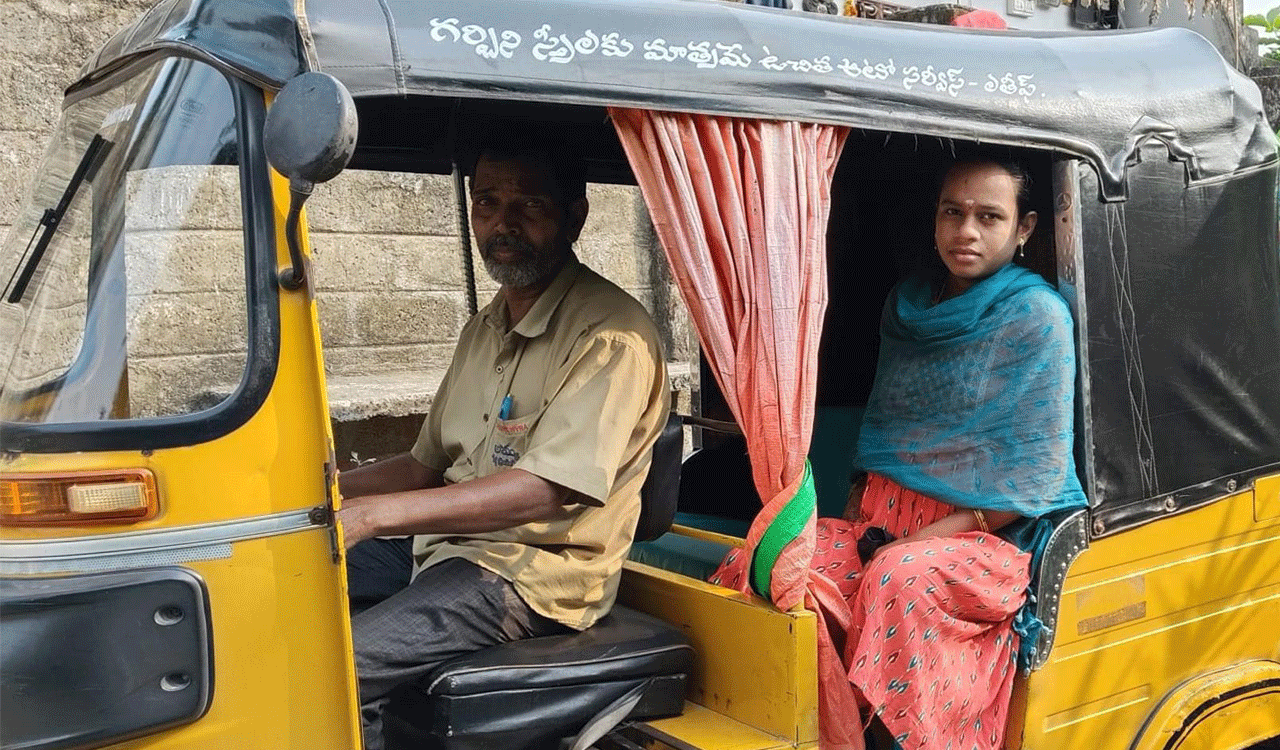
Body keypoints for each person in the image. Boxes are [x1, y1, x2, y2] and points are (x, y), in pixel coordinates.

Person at [710, 156, 1087, 750]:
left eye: (989, 217)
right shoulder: (908, 305)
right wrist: (862, 519)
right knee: (760, 563)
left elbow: (1029, 482)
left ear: (1025, 228)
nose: (966, 231)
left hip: (981, 542)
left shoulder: (1036, 317)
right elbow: (885, 431)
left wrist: (915, 542)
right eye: (953, 213)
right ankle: (807, 731)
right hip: (881, 527)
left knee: (895, 577)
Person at [337, 137, 670, 750]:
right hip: (448, 550)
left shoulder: (611, 336)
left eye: (529, 206)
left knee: (332, 667)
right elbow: (421, 465)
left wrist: (375, 517)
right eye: (487, 204)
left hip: (537, 575)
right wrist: (324, 493)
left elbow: (547, 490)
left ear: (576, 213)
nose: (502, 225)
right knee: (284, 587)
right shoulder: (485, 327)